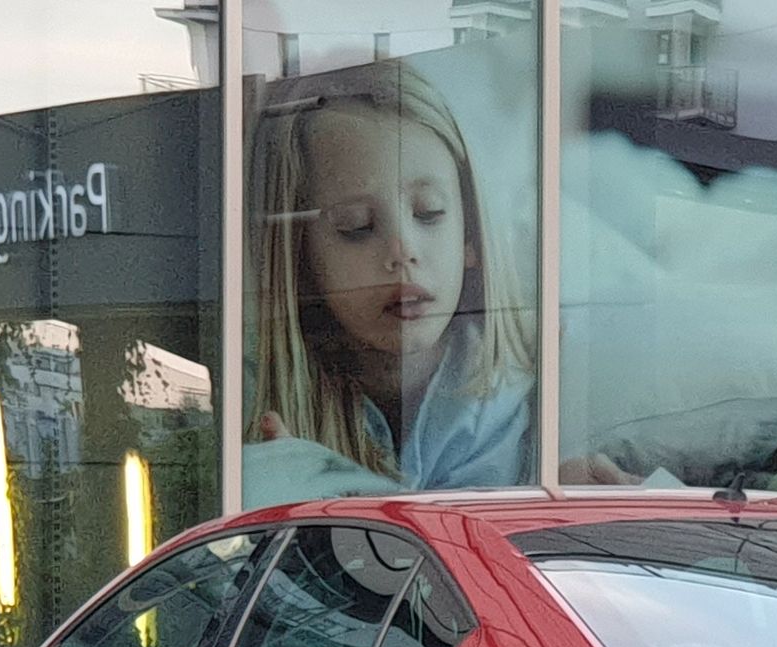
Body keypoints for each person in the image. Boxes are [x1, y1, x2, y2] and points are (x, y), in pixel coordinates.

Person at [249, 60, 582, 492]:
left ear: (472, 238)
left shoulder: (551, 397)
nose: (402, 252)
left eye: (430, 213)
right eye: (356, 226)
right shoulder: (258, 411)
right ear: (302, 261)